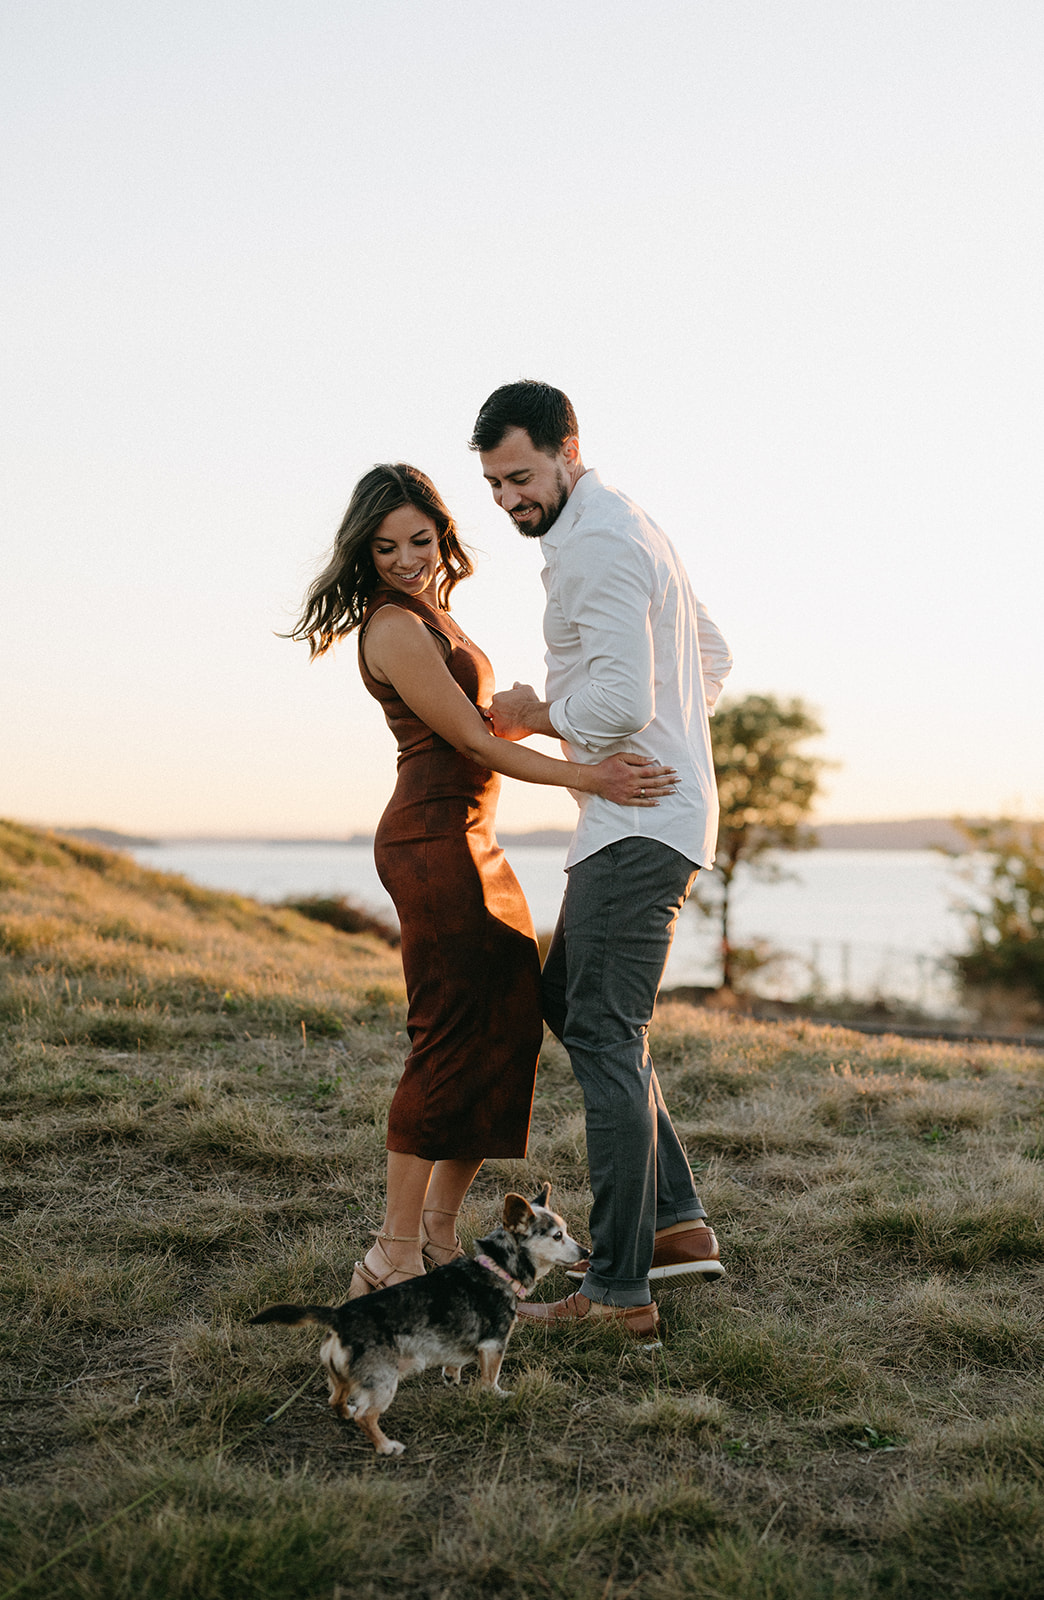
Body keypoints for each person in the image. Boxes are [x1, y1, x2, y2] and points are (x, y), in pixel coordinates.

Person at [290, 463, 677, 1299]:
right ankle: (389, 1253)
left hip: (473, 837)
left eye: (420, 541)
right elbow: (468, 742)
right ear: (364, 549)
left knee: (505, 1023)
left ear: (442, 536)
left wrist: (534, 711)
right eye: (385, 546)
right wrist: (590, 776)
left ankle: (436, 1232)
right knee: (447, 1035)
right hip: (433, 843)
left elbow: (479, 721)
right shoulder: (392, 625)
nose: (404, 558)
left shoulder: (436, 613)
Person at [470, 382, 733, 1339]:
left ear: (567, 450)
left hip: (638, 828)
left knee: (609, 1038)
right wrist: (672, 736)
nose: (509, 499)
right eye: (495, 484)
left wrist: (542, 713)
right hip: (638, 815)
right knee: (570, 1005)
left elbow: (619, 702)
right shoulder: (629, 528)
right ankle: (674, 1225)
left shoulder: (599, 544)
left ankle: (619, 1294)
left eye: (522, 476)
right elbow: (712, 654)